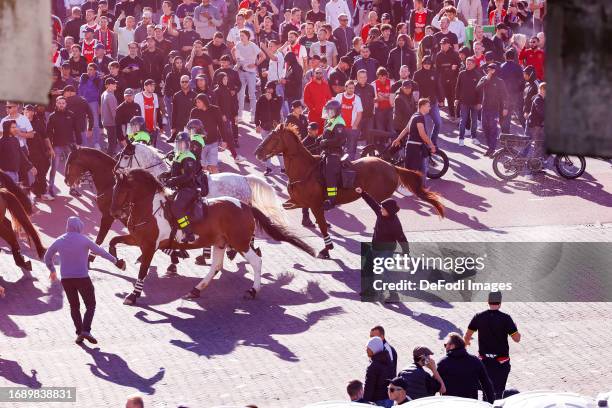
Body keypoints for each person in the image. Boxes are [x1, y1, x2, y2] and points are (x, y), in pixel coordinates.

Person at [44, 216, 120, 344]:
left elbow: (47, 257)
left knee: (74, 306)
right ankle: (86, 330)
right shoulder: (84, 240)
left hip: (66, 280)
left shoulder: (59, 240)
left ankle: (79, 333)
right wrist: (114, 260)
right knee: (90, 305)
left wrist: (52, 270)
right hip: (82, 278)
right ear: (79, 227)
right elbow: (100, 251)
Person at [464, 291, 521, 400]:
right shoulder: (506, 318)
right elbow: (517, 339)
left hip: (484, 361)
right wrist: (515, 328)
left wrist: (466, 345)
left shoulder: (479, 317)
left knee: (485, 390)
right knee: (499, 391)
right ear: (500, 303)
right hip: (501, 362)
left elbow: (467, 336)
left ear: (488, 302)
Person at [437, 332, 496, 403]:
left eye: (445, 345)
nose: (445, 347)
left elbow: (434, 385)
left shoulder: (443, 363)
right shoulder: (475, 361)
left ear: (452, 346)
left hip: (450, 403)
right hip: (470, 403)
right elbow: (486, 384)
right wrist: (490, 403)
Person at [163, 132, 199, 243]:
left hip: (188, 189)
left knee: (176, 207)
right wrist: (166, 175)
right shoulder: (179, 155)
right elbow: (175, 172)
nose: (180, 146)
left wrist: (173, 181)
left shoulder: (188, 156)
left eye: (182, 144)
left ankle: (189, 233)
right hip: (179, 187)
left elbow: (188, 176)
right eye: (178, 144)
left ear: (187, 145)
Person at [392, 98, 436, 181]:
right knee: (417, 172)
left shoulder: (414, 115)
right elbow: (422, 134)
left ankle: (419, 189)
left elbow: (406, 129)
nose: (430, 108)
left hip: (412, 147)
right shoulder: (419, 118)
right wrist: (431, 145)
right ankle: (419, 190)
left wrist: (398, 139)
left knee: (419, 170)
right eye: (428, 106)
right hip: (415, 148)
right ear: (422, 106)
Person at [47, 97, 81, 197]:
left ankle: (73, 188)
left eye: (63, 103)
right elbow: (48, 133)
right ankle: (51, 188)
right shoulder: (52, 116)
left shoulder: (71, 114)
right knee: (54, 167)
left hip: (70, 145)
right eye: (59, 103)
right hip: (57, 145)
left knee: (73, 167)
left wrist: (78, 142)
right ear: (56, 104)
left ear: (66, 104)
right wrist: (50, 147)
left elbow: (77, 129)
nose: (61, 104)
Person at [319, 100, 347, 211]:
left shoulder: (339, 122)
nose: (329, 112)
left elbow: (339, 140)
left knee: (330, 174)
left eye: (331, 110)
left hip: (335, 153)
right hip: (327, 151)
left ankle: (331, 199)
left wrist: (325, 142)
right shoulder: (331, 120)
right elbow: (327, 134)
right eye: (328, 110)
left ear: (337, 111)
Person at [233, 29, 265, 123]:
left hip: (251, 73)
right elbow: (234, 53)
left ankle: (253, 116)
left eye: (242, 35)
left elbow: (263, 56)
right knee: (240, 94)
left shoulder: (253, 45)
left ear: (247, 36)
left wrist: (255, 64)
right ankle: (240, 116)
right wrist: (237, 62)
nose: (241, 37)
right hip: (241, 72)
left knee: (252, 95)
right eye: (240, 35)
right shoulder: (238, 45)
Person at [476, 63, 508, 156]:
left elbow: (505, 96)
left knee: (493, 129)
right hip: (485, 108)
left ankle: (492, 149)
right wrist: (486, 79)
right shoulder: (484, 78)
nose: (489, 71)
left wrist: (505, 107)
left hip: (495, 109)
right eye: (488, 69)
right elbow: (477, 88)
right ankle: (490, 147)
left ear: (495, 70)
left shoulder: (500, 81)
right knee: (485, 129)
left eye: (491, 69)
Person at [24, 105, 54, 201]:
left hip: (40, 151)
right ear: (24, 111)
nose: (29, 112)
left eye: (31, 111)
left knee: (45, 166)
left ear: (33, 112)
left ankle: (37, 189)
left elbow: (45, 136)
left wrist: (50, 148)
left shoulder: (38, 122)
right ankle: (38, 193)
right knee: (34, 173)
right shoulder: (20, 122)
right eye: (27, 111)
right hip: (26, 152)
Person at [189, 93, 225, 173]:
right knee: (202, 168)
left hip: (213, 143)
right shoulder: (194, 111)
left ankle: (217, 183)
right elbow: (190, 127)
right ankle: (204, 184)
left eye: (199, 102)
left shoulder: (215, 110)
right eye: (196, 102)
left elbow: (221, 125)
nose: (196, 104)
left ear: (204, 102)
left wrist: (224, 140)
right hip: (199, 145)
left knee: (213, 167)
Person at [413, 57, 444, 145]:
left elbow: (439, 87)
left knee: (438, 123)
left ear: (431, 64)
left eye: (429, 63)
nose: (427, 65)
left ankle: (433, 141)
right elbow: (415, 89)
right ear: (422, 64)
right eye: (425, 63)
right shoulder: (417, 74)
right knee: (426, 127)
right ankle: (426, 144)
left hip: (433, 103)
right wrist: (415, 102)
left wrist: (441, 99)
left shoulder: (435, 73)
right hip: (422, 105)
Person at [455, 56, 482, 146]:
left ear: (474, 65)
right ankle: (461, 138)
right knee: (463, 120)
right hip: (464, 102)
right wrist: (456, 99)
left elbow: (480, 91)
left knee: (474, 121)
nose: (468, 65)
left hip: (474, 103)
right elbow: (457, 87)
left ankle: (473, 138)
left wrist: (479, 102)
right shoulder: (461, 74)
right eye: (467, 63)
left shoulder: (478, 75)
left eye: (470, 64)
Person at [334, 80, 363, 160]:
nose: (351, 90)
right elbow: (333, 110)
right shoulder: (339, 97)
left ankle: (351, 163)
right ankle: (338, 160)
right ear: (345, 88)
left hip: (352, 127)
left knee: (352, 146)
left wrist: (355, 125)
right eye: (349, 88)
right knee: (339, 145)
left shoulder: (357, 99)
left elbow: (359, 113)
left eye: (353, 88)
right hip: (340, 126)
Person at [498, 49, 526, 132]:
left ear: (505, 57)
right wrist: (520, 91)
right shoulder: (518, 67)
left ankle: (505, 134)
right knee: (520, 114)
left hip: (504, 94)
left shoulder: (501, 66)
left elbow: (499, 80)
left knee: (505, 114)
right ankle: (528, 132)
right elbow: (522, 81)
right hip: (516, 94)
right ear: (514, 57)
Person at [363, 336, 395, 405]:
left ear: (374, 349)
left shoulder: (373, 366)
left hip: (378, 401)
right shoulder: (388, 360)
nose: (366, 350)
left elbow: (369, 387)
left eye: (368, 348)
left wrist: (365, 403)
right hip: (389, 399)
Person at [435, 37, 461, 121]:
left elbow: (458, 66)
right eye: (441, 44)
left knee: (454, 97)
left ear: (449, 45)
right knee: (448, 97)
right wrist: (450, 68)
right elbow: (438, 69)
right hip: (443, 79)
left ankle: (457, 114)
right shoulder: (439, 55)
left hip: (453, 79)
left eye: (444, 44)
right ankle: (452, 115)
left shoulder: (454, 54)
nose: (442, 46)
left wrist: (452, 71)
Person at [304, 68, 333, 133]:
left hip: (324, 113)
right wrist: (313, 108)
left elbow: (329, 98)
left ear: (322, 74)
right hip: (313, 114)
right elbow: (306, 100)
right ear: (314, 74)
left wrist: (327, 109)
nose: (319, 74)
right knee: (313, 132)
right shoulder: (308, 86)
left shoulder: (325, 85)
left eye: (320, 73)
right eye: (317, 73)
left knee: (324, 131)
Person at [134, 79, 160, 146]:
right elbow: (135, 112)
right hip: (142, 126)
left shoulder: (155, 96)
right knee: (143, 146)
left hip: (152, 127)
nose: (153, 88)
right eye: (150, 86)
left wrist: (155, 124)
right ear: (145, 87)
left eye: (154, 86)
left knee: (152, 147)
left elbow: (155, 110)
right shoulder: (138, 96)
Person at [100, 77, 119, 154]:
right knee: (113, 144)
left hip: (106, 122)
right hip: (112, 123)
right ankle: (109, 159)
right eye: (113, 84)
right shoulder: (110, 96)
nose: (115, 85)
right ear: (108, 85)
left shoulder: (104, 93)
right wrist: (118, 123)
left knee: (111, 142)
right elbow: (114, 113)